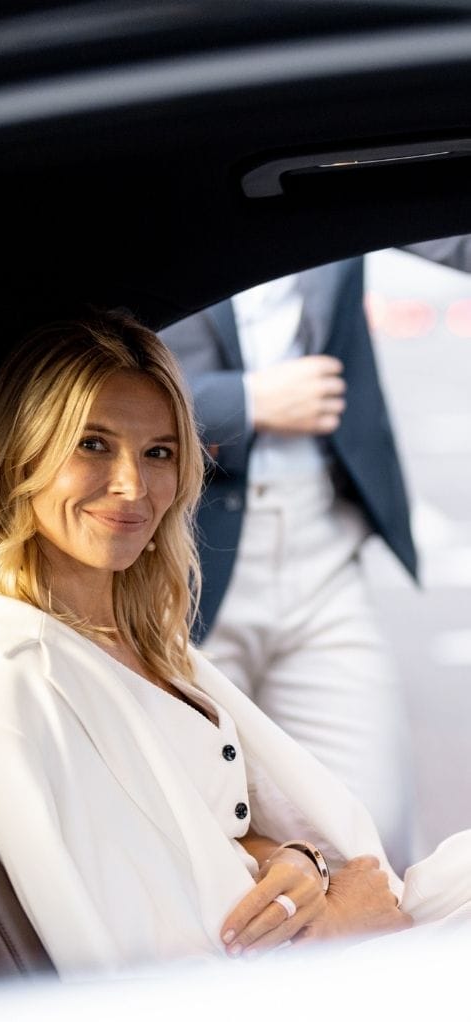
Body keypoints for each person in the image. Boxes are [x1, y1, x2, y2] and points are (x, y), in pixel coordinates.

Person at [0, 309, 471, 976]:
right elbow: (142, 976)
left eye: (159, 452)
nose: (133, 485)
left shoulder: (130, 638)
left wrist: (298, 860)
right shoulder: (11, 691)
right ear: (19, 456)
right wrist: (344, 933)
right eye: (92, 444)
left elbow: (207, 829)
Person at [158, 238, 471, 868]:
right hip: (180, 556)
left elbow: (442, 224)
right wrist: (245, 403)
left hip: (323, 544)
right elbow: (76, 360)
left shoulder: (311, 166)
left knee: (375, 830)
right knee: (206, 835)